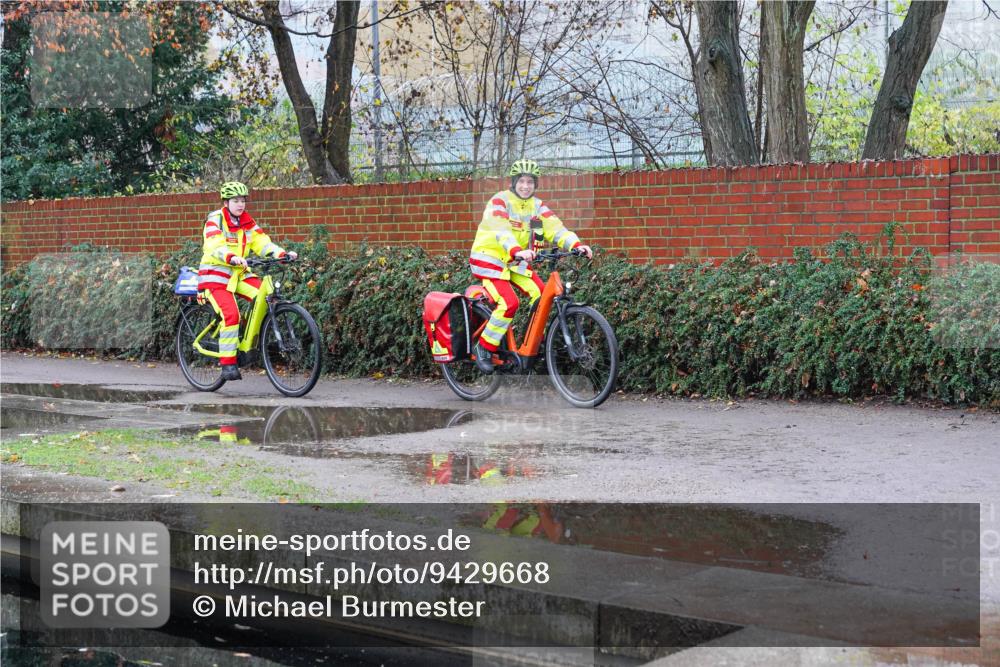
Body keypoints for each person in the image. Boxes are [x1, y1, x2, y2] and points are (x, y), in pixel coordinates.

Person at [468, 159, 592, 373]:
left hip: (514, 260)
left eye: (530, 182)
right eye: (522, 181)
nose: (525, 186)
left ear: (535, 184)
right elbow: (501, 230)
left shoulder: (536, 207)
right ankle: (484, 348)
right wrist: (516, 250)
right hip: (490, 259)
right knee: (509, 303)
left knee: (542, 296)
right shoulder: (499, 201)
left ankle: (533, 344)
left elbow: (554, 229)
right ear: (514, 182)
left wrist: (576, 245)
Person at [198, 181, 297, 381]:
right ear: (225, 203)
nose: (240, 204)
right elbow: (214, 245)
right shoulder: (215, 220)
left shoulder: (246, 222)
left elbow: (262, 243)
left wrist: (282, 254)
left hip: (239, 273)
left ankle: (248, 338)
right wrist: (230, 257)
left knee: (265, 297)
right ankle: (228, 363)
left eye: (242, 200)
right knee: (231, 314)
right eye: (235, 200)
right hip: (216, 275)